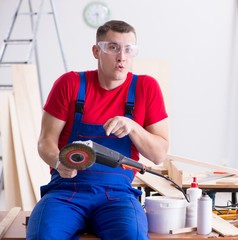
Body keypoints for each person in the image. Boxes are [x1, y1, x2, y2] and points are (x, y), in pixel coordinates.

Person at [26, 20, 169, 240]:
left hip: (118, 195)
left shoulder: (146, 88)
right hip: (66, 191)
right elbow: (45, 141)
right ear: (96, 51)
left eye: (129, 49)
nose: (122, 56)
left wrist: (133, 127)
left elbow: (159, 154)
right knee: (43, 235)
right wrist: (58, 162)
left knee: (133, 236)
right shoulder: (70, 84)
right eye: (112, 47)